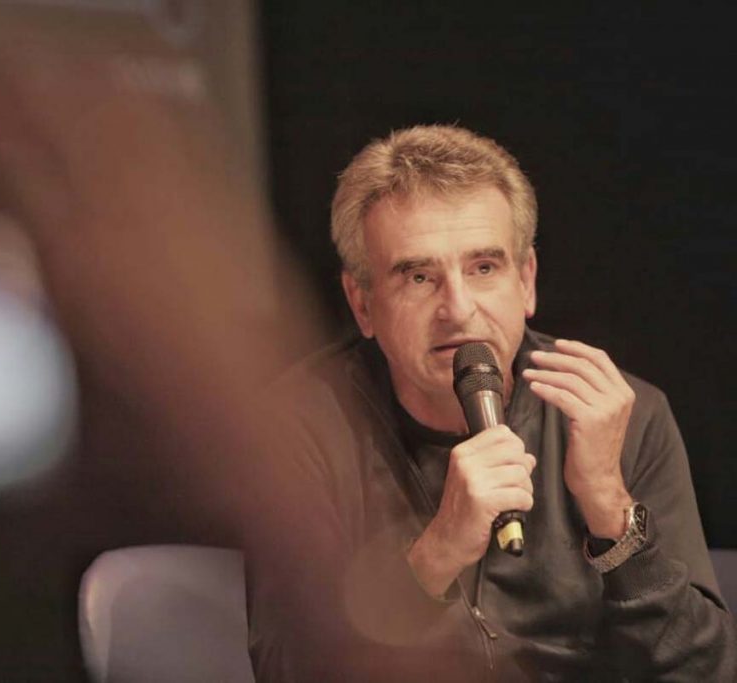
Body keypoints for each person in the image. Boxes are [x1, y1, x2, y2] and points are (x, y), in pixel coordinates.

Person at [247, 125, 737, 681]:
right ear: (362, 303)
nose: (458, 310)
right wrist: (438, 550)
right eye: (419, 276)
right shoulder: (299, 426)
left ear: (526, 281)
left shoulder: (621, 412)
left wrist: (609, 507)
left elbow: (708, 671)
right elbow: (285, 668)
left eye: (484, 268)